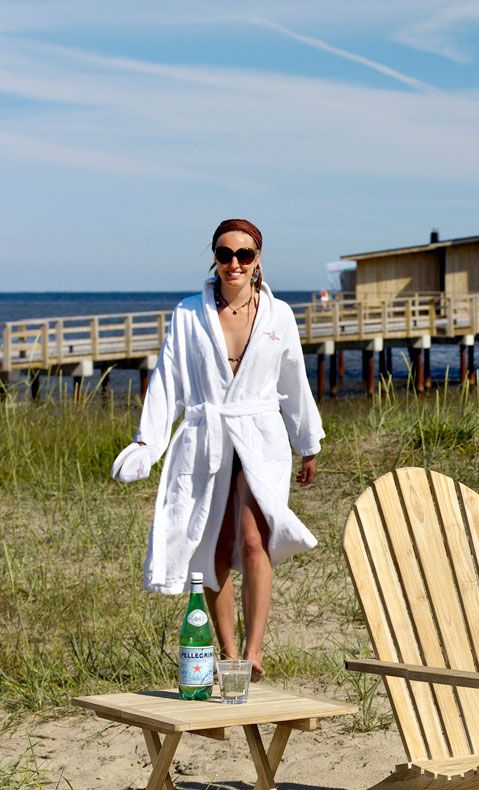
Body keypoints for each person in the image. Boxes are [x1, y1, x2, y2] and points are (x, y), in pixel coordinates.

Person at [111, 219, 324, 680]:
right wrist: (148, 441)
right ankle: (228, 653)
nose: (234, 264)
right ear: (214, 257)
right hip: (207, 436)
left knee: (254, 538)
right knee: (214, 546)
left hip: (260, 435)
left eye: (244, 255)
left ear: (258, 260)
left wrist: (307, 443)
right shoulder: (189, 313)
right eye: (225, 254)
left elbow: (294, 381)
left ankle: (254, 650)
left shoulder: (278, 315)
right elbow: (167, 379)